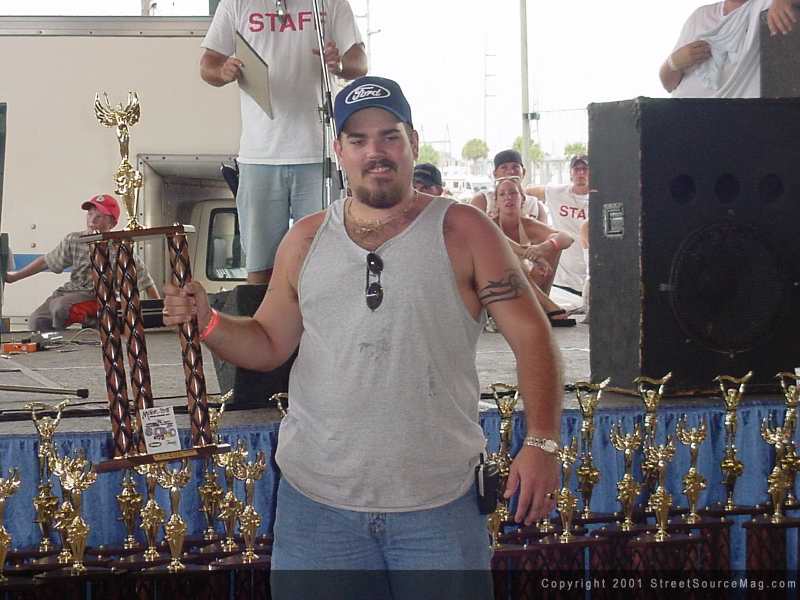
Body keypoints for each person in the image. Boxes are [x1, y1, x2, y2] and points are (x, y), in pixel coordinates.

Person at [163, 75, 561, 599]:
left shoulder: (465, 231)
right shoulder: (304, 239)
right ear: (340, 151)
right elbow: (267, 342)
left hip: (439, 508)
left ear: (413, 143)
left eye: (389, 136)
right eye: (359, 139)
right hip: (317, 512)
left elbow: (533, 337)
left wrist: (543, 442)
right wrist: (208, 322)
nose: (376, 152)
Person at [200, 0, 368, 285]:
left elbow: (359, 61)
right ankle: (263, 314)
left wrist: (339, 64)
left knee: (322, 262)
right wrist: (223, 71)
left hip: (318, 155)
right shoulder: (237, 3)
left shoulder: (330, 3)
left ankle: (317, 315)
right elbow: (208, 64)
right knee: (260, 266)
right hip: (259, 155)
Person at [4, 194, 159, 332]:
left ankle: (98, 322)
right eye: (90, 214)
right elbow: (46, 261)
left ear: (112, 223)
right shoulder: (74, 239)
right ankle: (62, 341)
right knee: (36, 321)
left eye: (99, 216)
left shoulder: (121, 249)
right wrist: (14, 277)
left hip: (99, 296)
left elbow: (146, 281)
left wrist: (161, 315)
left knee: (60, 307)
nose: (92, 220)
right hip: (70, 292)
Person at [660, 0, 797, 98]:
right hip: (681, 114)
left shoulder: (761, 5)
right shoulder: (699, 16)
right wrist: (674, 62)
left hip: (731, 118)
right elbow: (668, 84)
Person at [491, 176, 576, 327]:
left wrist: (544, 247)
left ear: (522, 199)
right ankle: (548, 306)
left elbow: (567, 238)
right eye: (502, 194)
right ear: (496, 202)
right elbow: (500, 240)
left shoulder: (528, 225)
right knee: (510, 259)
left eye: (513, 193)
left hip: (523, 290)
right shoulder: (489, 225)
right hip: (497, 293)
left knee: (553, 246)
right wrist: (532, 256)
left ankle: (538, 305)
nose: (508, 197)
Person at [526, 155, 590, 301]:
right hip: (562, 281)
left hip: (589, 277)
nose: (581, 173)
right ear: (571, 173)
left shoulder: (601, 198)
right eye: (577, 169)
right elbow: (525, 192)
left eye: (585, 169)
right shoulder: (556, 192)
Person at [470, 149, 547, 222]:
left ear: (523, 172)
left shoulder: (535, 206)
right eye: (504, 167)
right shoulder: (483, 200)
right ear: (495, 174)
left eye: (515, 167)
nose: (510, 172)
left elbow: (544, 231)